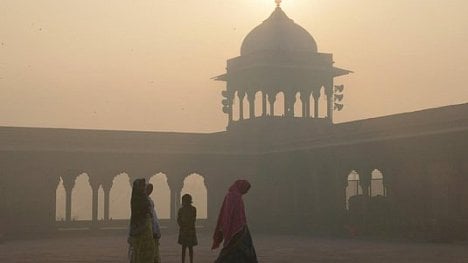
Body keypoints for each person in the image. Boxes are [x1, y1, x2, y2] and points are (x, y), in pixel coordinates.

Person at [212, 180, 257, 263]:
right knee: (241, 250)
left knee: (234, 250)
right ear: (241, 187)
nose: (246, 192)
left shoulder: (232, 196)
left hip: (239, 228)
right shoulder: (234, 197)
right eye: (246, 189)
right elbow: (229, 214)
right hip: (238, 230)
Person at [128, 178, 155, 263]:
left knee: (146, 251)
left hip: (145, 228)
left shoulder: (142, 198)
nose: (143, 188)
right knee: (139, 252)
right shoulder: (137, 199)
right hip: (140, 229)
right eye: (141, 186)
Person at [177, 194, 198, 263]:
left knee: (186, 248)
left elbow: (179, 220)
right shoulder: (193, 209)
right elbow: (193, 219)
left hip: (185, 230)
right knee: (188, 248)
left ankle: (186, 261)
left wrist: (183, 225)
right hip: (189, 230)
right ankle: (189, 261)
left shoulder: (182, 210)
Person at [146, 183, 162, 263]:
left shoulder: (148, 199)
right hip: (147, 224)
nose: (150, 191)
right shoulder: (144, 200)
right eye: (148, 189)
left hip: (151, 223)